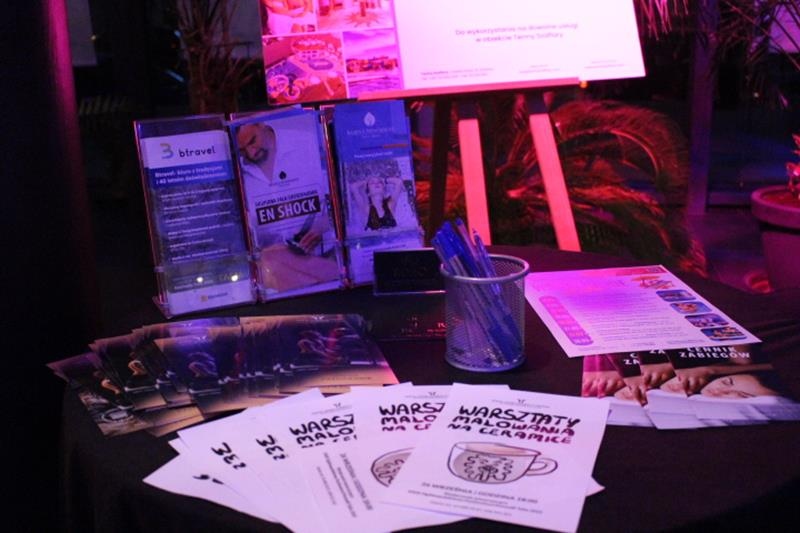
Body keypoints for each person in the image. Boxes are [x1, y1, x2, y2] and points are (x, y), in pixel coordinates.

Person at [235, 121, 328, 254]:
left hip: (324, 253)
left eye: (252, 141)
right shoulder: (239, 169)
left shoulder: (307, 143)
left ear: (261, 124)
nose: (251, 153)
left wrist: (324, 225)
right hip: (273, 260)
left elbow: (342, 194)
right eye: (242, 150)